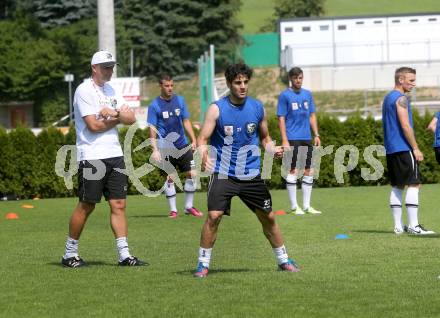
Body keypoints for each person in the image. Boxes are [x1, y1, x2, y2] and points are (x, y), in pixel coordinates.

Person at [194, 63, 300, 278]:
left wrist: (273, 150)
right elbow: (202, 139)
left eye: (245, 82)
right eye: (237, 82)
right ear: (229, 84)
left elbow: (264, 139)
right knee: (214, 217)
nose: (242, 86)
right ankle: (203, 264)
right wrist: (204, 156)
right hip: (223, 172)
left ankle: (284, 259)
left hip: (251, 174)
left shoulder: (257, 107)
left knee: (268, 218)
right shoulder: (217, 109)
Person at [61, 50, 147, 268]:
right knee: (87, 205)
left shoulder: (112, 89)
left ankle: (124, 255)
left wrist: (114, 114)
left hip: (115, 155)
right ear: (94, 68)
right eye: (106, 67)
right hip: (92, 156)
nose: (110, 70)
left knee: (119, 204)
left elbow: (130, 118)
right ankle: (69, 253)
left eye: (111, 66)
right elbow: (94, 125)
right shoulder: (83, 90)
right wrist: (116, 116)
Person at [382, 66, 434, 235]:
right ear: (401, 80)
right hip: (403, 148)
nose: (414, 84)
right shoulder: (401, 98)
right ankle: (414, 226)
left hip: (391, 149)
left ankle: (398, 226)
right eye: (411, 80)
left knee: (397, 186)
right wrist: (416, 148)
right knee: (414, 183)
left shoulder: (387, 97)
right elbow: (405, 125)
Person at [147, 74, 203, 218]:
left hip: (182, 144)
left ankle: (188, 207)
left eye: (172, 85)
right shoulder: (154, 106)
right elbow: (152, 128)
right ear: (160, 86)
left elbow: (185, 121)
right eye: (167, 85)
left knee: (192, 174)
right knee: (170, 177)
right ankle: (173, 210)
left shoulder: (180, 100)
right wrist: (154, 149)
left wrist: (193, 139)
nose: (170, 88)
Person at [277, 67, 322, 215]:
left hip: (306, 137)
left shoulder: (308, 95)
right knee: (293, 170)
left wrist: (316, 134)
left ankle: (307, 206)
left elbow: (312, 116)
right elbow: (281, 118)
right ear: (291, 79)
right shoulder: (284, 96)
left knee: (309, 170)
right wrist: (284, 139)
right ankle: (294, 206)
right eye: (295, 78)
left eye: (300, 77)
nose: (298, 80)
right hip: (291, 138)